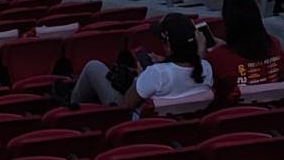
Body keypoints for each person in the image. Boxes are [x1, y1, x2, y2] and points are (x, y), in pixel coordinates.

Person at [65, 16, 213, 112]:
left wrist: (140, 75)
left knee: (94, 67)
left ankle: (71, 109)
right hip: (176, 126)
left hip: (133, 121)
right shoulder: (206, 68)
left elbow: (126, 105)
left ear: (168, 45)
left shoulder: (156, 74)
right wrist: (165, 61)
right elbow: (187, 69)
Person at [206, 0, 284, 96]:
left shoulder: (217, 58)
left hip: (232, 111)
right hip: (272, 108)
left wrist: (201, 54)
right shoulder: (274, 44)